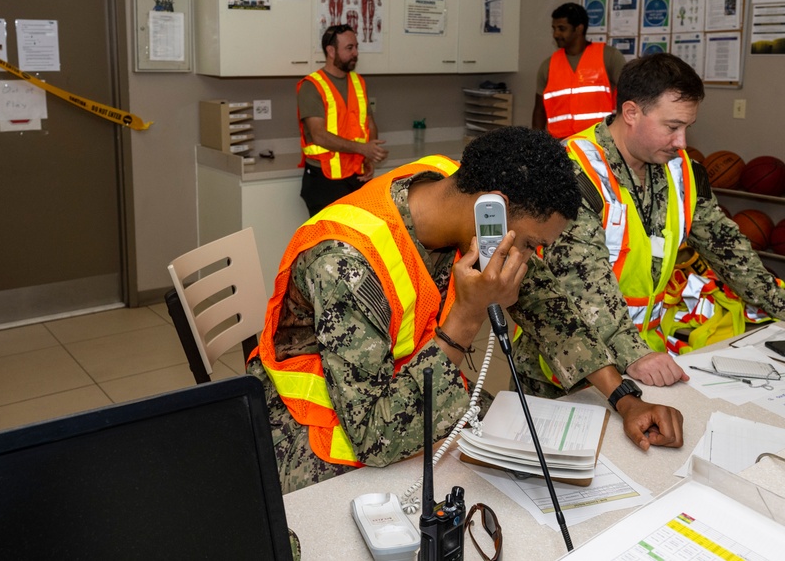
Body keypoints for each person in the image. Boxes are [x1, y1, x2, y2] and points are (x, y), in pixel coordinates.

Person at [247, 127, 582, 493]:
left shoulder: (448, 185)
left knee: (505, 445)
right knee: (461, 491)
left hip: (396, 382)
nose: (529, 257)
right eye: (531, 244)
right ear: (493, 208)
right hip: (312, 428)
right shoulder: (345, 265)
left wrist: (620, 395)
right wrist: (468, 317)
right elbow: (374, 436)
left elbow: (544, 302)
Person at [511, 53, 785, 451]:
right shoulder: (573, 171)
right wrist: (633, 354)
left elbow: (730, 249)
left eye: (688, 127)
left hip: (642, 361)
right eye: (672, 127)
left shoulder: (681, 170)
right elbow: (582, 283)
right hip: (564, 368)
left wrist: (779, 301)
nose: (682, 142)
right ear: (631, 112)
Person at [296, 23, 388, 217]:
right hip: (324, 180)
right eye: (349, 48)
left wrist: (368, 157)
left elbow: (369, 122)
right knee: (330, 242)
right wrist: (363, 149)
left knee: (356, 239)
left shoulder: (358, 82)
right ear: (331, 51)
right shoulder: (311, 86)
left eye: (356, 47)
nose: (356, 53)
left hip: (356, 175)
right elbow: (319, 135)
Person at [532, 2, 625, 139]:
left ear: (579, 29)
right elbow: (539, 111)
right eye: (554, 29)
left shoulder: (609, 57)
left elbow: (630, 97)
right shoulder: (548, 65)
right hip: (561, 146)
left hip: (600, 143)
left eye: (562, 28)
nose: (556, 34)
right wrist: (536, 144)